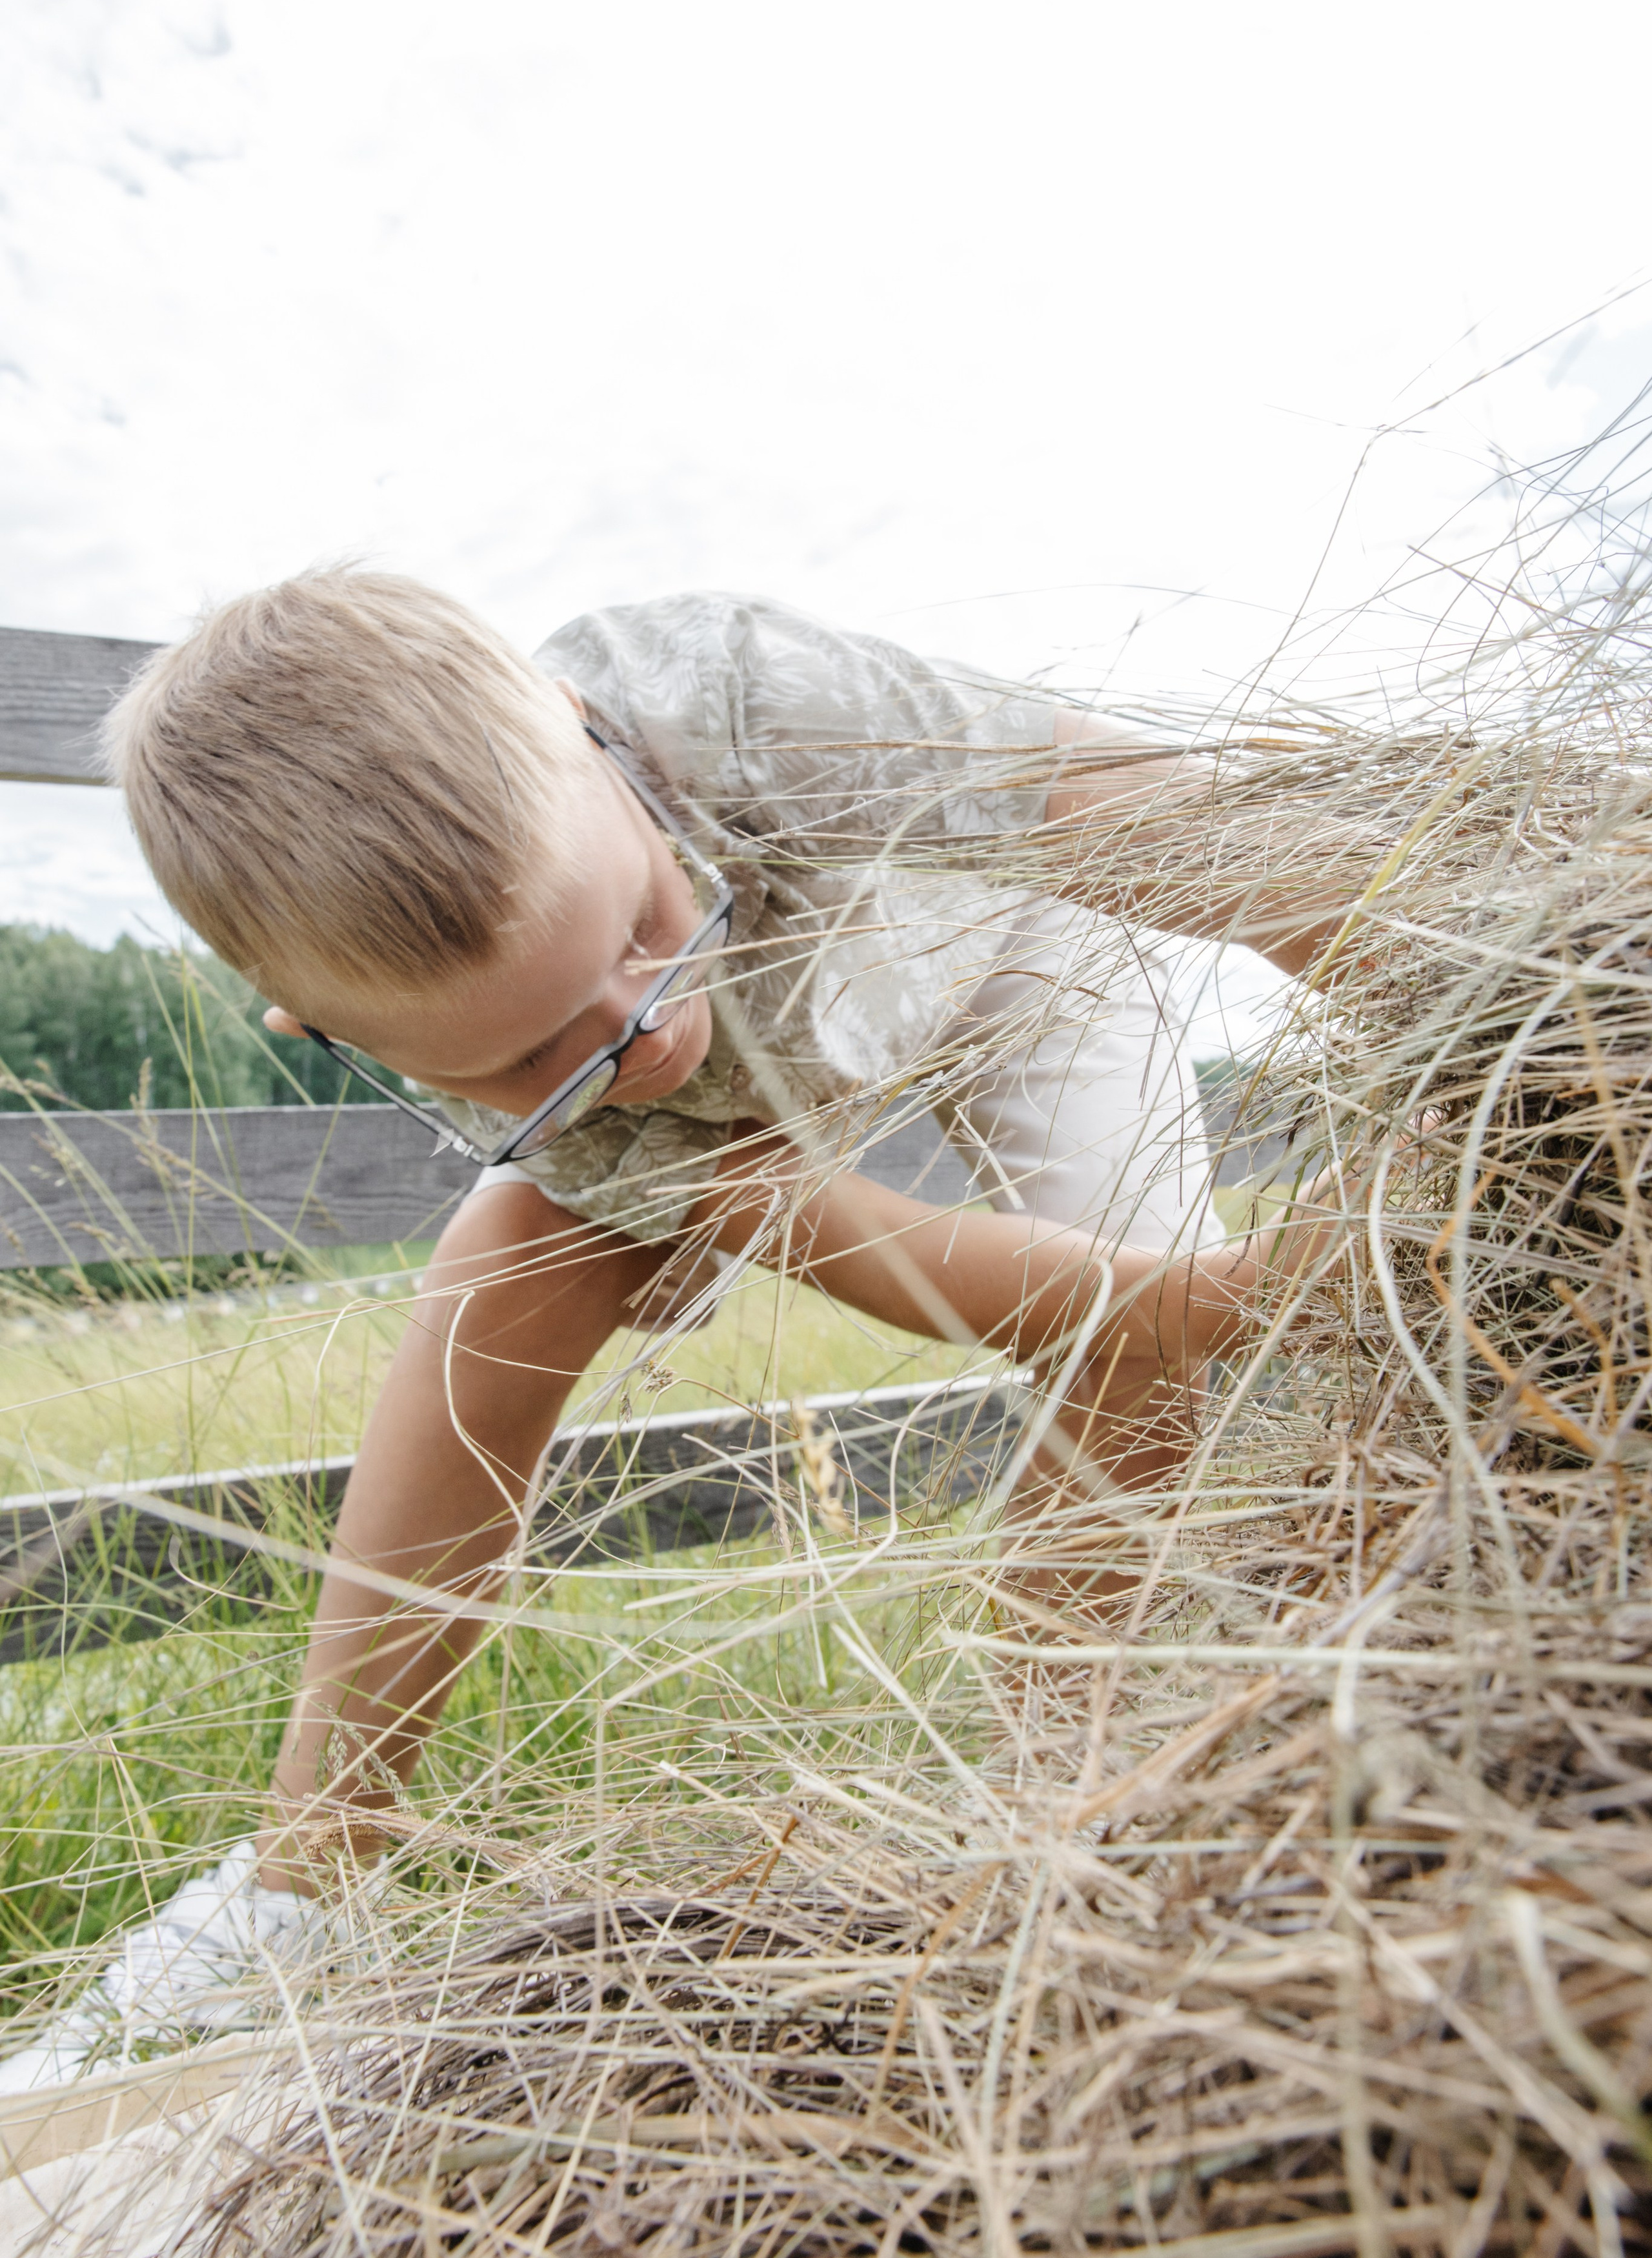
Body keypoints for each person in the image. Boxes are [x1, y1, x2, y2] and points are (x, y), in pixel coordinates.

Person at [0, 575, 1338, 2090]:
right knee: (494, 1290)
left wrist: (1450, 992)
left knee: (1136, 1356)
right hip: (738, 1137)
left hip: (1017, 944)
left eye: (639, 927)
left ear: (589, 739)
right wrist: (1259, 1285)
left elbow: (1164, 811)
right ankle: (305, 1883)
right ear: (330, 1034)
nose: (637, 1030)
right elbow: (894, 1258)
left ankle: (1052, 1806)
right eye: (529, 1054)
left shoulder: (751, 697)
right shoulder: (572, 1082)